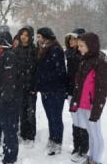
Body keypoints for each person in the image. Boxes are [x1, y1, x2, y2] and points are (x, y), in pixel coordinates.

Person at [70, 32, 107, 164]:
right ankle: (91, 158)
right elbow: (79, 85)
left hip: (92, 105)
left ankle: (95, 160)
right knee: (91, 133)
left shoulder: (100, 63)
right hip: (83, 104)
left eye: (81, 45)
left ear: (90, 45)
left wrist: (97, 108)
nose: (78, 48)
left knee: (96, 135)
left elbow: (101, 89)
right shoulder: (84, 60)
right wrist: (76, 102)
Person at [0, 31, 21, 164]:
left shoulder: (8, 56)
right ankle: (7, 152)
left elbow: (8, 81)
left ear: (2, 43)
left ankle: (11, 157)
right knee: (7, 129)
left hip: (8, 103)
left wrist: (3, 100)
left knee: (10, 130)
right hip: (0, 101)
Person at [35, 27, 67, 155]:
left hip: (56, 90)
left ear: (46, 37)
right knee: (50, 117)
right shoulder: (43, 50)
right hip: (46, 90)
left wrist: (43, 78)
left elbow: (60, 71)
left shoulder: (55, 50)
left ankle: (57, 142)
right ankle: (52, 139)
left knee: (56, 117)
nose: (37, 40)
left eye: (39, 37)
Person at [64, 28, 89, 162]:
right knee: (75, 120)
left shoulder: (85, 55)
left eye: (74, 39)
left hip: (82, 93)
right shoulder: (69, 53)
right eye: (70, 39)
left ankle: (84, 149)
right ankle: (77, 146)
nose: (71, 41)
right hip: (71, 91)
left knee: (83, 121)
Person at [13, 26, 37, 148]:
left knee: (31, 113)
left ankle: (31, 135)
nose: (24, 37)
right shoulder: (16, 50)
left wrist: (34, 86)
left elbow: (37, 71)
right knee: (22, 113)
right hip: (19, 88)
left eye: (26, 35)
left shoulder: (34, 50)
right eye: (22, 34)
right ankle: (23, 134)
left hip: (31, 88)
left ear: (30, 37)